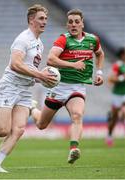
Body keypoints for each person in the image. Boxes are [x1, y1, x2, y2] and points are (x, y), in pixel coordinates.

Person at [0, 4, 57, 173]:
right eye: (41, 18)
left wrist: (44, 79)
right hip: (9, 87)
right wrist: (40, 75)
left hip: (25, 89)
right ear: (31, 20)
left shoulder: (40, 43)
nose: (44, 21)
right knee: (2, 131)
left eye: (46, 18)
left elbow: (29, 69)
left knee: (18, 130)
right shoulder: (23, 39)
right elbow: (15, 64)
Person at [31, 9, 104, 164]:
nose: (73, 24)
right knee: (41, 125)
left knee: (77, 115)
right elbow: (50, 59)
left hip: (77, 88)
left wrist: (99, 72)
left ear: (82, 23)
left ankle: (73, 149)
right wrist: (73, 65)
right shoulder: (63, 40)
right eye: (70, 21)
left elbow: (100, 53)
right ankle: (32, 108)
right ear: (67, 24)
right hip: (58, 88)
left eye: (77, 21)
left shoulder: (92, 40)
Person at [105, 47, 125, 147]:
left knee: (124, 111)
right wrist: (121, 78)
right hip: (117, 94)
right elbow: (110, 79)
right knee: (114, 118)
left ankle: (122, 115)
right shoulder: (118, 66)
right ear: (122, 55)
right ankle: (109, 135)